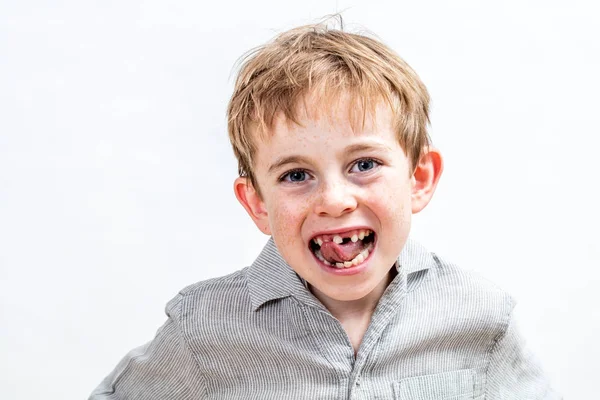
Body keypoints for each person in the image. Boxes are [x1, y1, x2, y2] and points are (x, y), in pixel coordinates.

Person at [89, 19, 560, 400]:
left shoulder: (481, 316)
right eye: (296, 175)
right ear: (257, 204)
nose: (335, 200)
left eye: (364, 164)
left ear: (419, 179)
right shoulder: (202, 331)